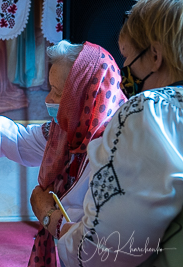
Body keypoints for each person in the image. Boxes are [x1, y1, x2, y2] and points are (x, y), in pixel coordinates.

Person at [0, 39, 127, 266]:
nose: (48, 99)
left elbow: (103, 244)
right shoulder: (64, 132)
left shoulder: (118, 147)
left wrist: (48, 215)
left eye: (56, 92)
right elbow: (19, 141)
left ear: (84, 96)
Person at [31, 0, 183, 266]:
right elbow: (26, 140)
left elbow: (99, 251)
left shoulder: (147, 113)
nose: (125, 73)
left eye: (129, 60)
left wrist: (48, 216)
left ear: (156, 56)